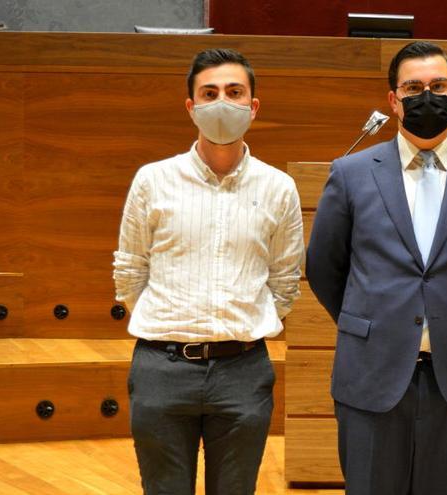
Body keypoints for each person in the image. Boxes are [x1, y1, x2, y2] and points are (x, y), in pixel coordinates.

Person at [306, 41, 447, 495]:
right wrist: (370, 320)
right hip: (371, 370)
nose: (427, 96)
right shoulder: (351, 173)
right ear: (393, 99)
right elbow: (325, 267)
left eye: (438, 86)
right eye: (413, 87)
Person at [113, 48, 303, 495]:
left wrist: (242, 324)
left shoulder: (279, 188)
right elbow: (130, 270)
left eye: (234, 92)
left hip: (243, 370)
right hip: (162, 368)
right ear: (191, 107)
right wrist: (170, 327)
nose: (222, 102)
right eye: (210, 93)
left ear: (253, 107)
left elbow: (284, 281)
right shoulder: (152, 180)